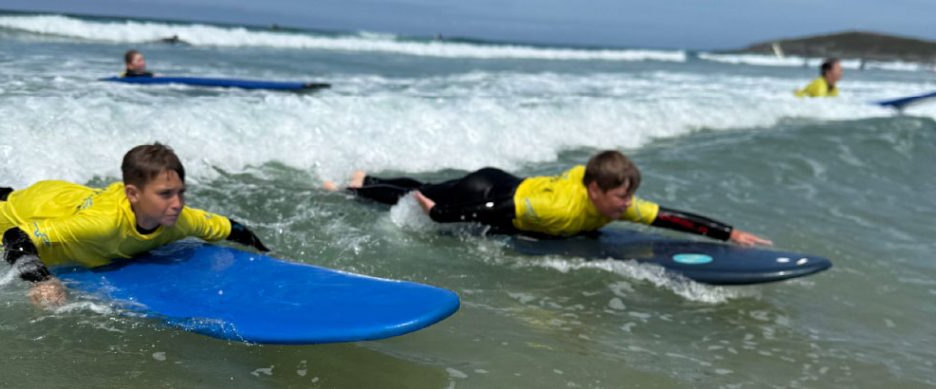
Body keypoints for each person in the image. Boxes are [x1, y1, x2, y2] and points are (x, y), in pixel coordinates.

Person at [0, 143, 269, 307]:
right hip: (17, 213)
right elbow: (14, 237)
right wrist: (42, 280)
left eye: (180, 192)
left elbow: (232, 228)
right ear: (132, 192)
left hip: (56, 195)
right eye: (164, 194)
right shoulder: (101, 225)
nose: (176, 203)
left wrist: (265, 252)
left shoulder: (180, 219)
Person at [325, 150, 771, 246]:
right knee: (417, 193)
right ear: (594, 190)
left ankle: (367, 177)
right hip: (489, 190)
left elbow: (669, 218)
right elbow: (495, 211)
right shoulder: (557, 208)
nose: (626, 206)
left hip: (511, 188)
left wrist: (729, 233)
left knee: (425, 186)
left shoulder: (613, 200)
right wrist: (444, 214)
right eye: (619, 198)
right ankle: (352, 189)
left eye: (627, 198)